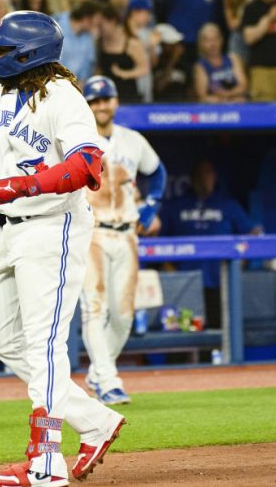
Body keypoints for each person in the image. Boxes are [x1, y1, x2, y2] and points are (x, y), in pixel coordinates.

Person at [0, 0, 125, 487]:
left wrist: (21, 186)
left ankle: (46, 463)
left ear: (27, 55)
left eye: (4, 48)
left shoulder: (64, 97)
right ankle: (95, 420)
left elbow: (87, 166)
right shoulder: (2, 81)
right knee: (4, 338)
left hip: (53, 227)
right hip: (15, 231)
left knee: (43, 345)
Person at [78, 75, 165, 407]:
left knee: (124, 315)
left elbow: (157, 172)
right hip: (94, 232)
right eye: (95, 100)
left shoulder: (132, 140)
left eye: (106, 99)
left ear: (115, 102)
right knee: (95, 309)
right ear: (87, 105)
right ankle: (109, 380)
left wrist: (151, 205)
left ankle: (100, 373)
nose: (101, 105)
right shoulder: (78, 139)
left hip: (127, 233)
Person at [160, 160, 261, 329]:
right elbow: (158, 241)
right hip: (185, 284)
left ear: (214, 176)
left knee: (217, 334)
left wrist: (236, 268)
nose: (204, 178)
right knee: (184, 334)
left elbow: (253, 234)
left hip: (218, 283)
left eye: (208, 173)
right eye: (199, 174)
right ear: (192, 178)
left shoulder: (227, 204)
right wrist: (171, 271)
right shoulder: (176, 206)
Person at [193, 23, 247, 103]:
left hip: (236, 102)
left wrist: (228, 94)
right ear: (201, 44)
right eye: (207, 40)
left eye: (215, 39)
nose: (212, 44)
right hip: (213, 107)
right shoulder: (200, 66)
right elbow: (203, 96)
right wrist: (224, 100)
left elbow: (243, 86)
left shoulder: (233, 59)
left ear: (221, 40)